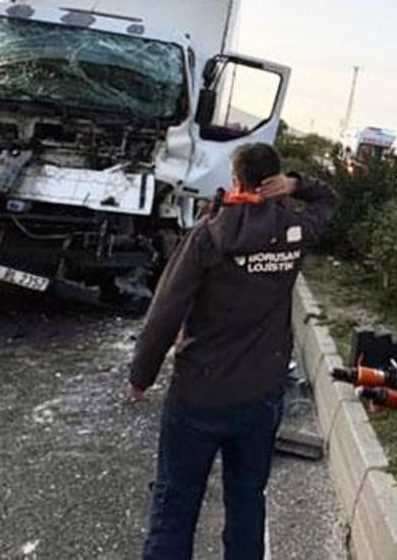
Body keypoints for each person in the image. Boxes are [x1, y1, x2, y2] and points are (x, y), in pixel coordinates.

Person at [129, 143, 336, 560]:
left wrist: (142, 375)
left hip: (198, 395)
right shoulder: (294, 231)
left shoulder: (208, 235)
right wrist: (297, 184)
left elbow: (167, 310)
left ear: (236, 179)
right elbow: (327, 198)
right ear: (275, 182)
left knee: (175, 503)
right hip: (261, 394)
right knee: (246, 500)